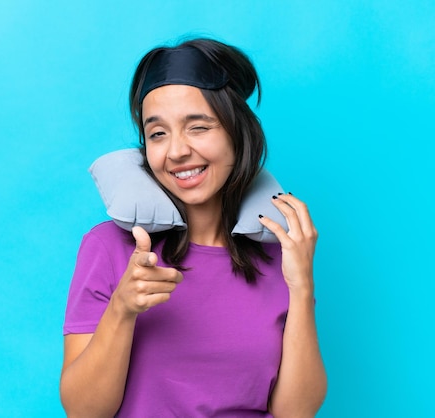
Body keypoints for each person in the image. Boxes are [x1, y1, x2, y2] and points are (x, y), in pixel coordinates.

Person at [60, 38, 327, 417]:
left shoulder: (280, 255)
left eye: (198, 127)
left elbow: (295, 412)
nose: (176, 151)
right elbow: (83, 412)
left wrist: (301, 287)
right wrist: (122, 309)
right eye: (158, 134)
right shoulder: (108, 247)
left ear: (238, 134)